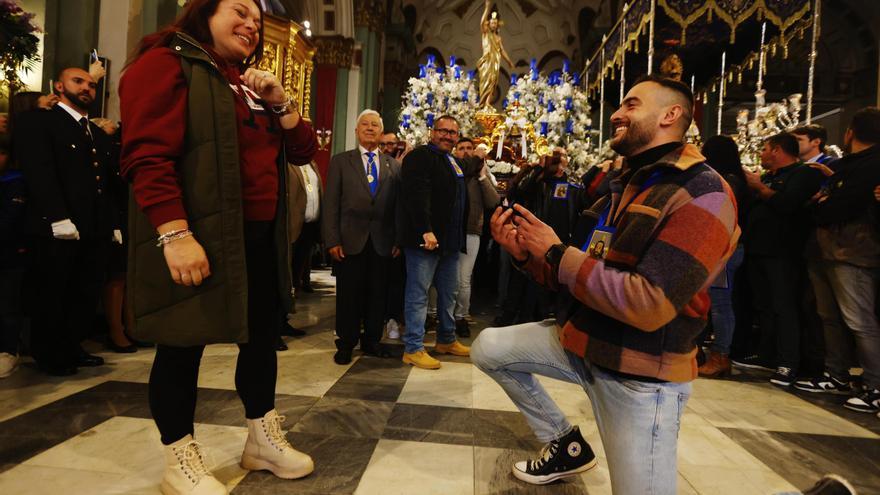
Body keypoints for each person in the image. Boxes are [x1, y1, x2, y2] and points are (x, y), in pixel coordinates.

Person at [471, 75, 739, 493]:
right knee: (490, 348)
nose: (616, 113)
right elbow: (578, 277)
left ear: (671, 115)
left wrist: (557, 253)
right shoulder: (622, 186)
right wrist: (527, 253)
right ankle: (565, 444)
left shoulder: (703, 191)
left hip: (639, 370)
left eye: (631, 105)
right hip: (584, 340)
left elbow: (649, 303)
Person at [119, 0, 317, 492]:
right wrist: (175, 234)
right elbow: (147, 156)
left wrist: (281, 103)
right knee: (182, 344)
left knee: (261, 341)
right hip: (201, 233)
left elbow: (303, 151)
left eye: (257, 20)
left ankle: (261, 441)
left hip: (257, 236)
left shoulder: (245, 82)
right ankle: (179, 460)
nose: (251, 25)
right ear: (203, 11)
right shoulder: (166, 62)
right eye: (239, 11)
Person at [15, 67, 118, 376]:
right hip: (56, 226)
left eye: (90, 84)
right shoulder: (39, 121)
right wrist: (57, 217)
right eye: (78, 81)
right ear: (58, 86)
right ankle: (49, 354)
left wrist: (111, 223)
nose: (87, 87)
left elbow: (105, 182)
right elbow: (40, 171)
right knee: (53, 291)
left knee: (83, 291)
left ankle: (72, 345)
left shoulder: (95, 131)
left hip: (92, 226)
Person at [795, 107, 880, 415]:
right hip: (827, 248)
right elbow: (819, 201)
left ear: (850, 132)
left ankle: (875, 386)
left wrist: (824, 204)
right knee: (828, 317)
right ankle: (837, 375)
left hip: (853, 251)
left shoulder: (872, 163)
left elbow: (838, 206)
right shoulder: (848, 164)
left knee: (859, 320)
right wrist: (823, 202)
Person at [735, 133, 824, 386]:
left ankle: (788, 363)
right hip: (757, 250)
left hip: (783, 253)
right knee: (764, 306)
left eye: (764, 149)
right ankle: (767, 354)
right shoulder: (769, 177)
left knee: (784, 307)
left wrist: (759, 188)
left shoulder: (803, 174)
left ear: (776, 150)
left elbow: (788, 204)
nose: (761, 154)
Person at [322, 109, 401, 365]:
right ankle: (345, 342)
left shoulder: (393, 165)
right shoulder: (341, 161)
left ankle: (372, 341)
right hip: (349, 241)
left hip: (382, 242)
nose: (370, 128)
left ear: (382, 131)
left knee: (378, 294)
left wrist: (398, 239)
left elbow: (399, 207)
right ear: (356, 131)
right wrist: (332, 240)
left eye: (375, 125)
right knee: (349, 295)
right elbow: (331, 204)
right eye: (365, 124)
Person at [399, 115, 472, 369]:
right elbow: (415, 195)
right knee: (418, 295)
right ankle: (413, 348)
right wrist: (425, 230)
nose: (448, 136)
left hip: (449, 243)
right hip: (426, 240)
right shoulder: (419, 156)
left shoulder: (453, 160)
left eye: (453, 132)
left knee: (449, 294)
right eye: (443, 131)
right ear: (432, 132)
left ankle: (446, 339)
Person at [699, 135, 750, 377]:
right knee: (716, 303)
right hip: (723, 248)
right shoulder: (734, 179)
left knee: (720, 304)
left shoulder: (728, 182)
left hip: (725, 250)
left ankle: (721, 355)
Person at [453, 141, 499, 337]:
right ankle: (434, 313)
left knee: (464, 278)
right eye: (461, 148)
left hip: (471, 231)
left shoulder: (481, 174)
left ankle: (461, 316)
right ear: (455, 151)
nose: (465, 152)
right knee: (442, 277)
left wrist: (482, 177)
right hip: (450, 230)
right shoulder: (451, 168)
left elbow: (493, 201)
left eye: (469, 149)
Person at [477, 0, 513, 108]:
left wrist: (509, 61)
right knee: (486, 80)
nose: (493, 25)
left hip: (495, 61)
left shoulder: (498, 38)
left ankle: (488, 103)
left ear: (497, 26)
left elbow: (502, 51)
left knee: (493, 82)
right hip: (487, 60)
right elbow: (482, 22)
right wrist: (487, 8)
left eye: (495, 23)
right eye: (492, 23)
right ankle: (482, 103)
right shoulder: (485, 33)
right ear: (489, 24)